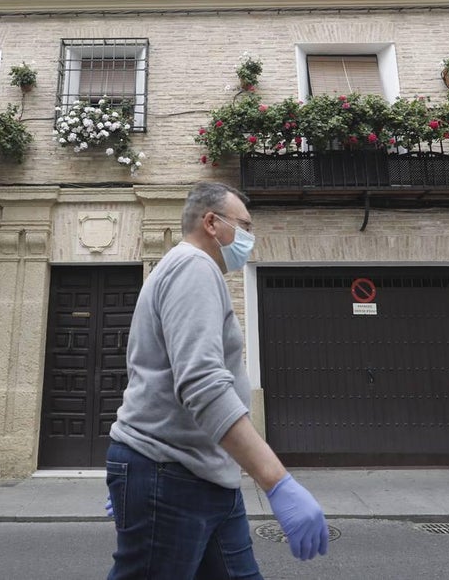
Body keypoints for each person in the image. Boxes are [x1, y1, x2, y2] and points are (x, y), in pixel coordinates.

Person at [105, 181, 329, 579]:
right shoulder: (193, 267)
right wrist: (277, 482)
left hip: (200, 474)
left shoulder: (187, 269)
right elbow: (203, 384)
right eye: (243, 226)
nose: (249, 238)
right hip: (171, 474)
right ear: (211, 222)